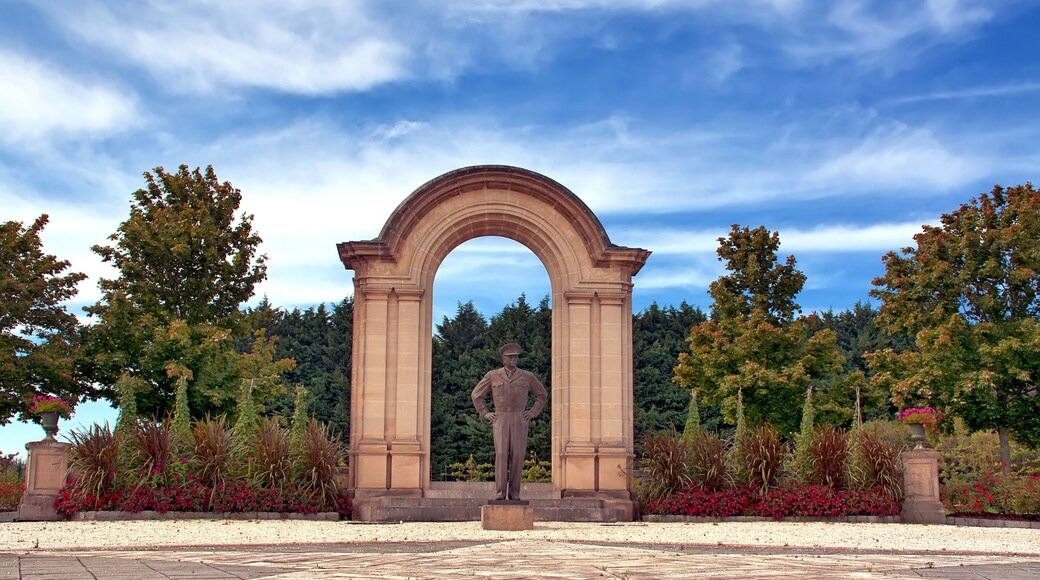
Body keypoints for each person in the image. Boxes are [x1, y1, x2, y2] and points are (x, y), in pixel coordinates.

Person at [471, 342, 548, 500]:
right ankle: (500, 493)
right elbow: (476, 394)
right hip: (500, 419)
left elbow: (542, 394)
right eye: (510, 357)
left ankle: (514, 493)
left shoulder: (527, 376)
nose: (513, 360)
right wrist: (485, 413)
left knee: (517, 455)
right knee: (500, 454)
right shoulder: (493, 375)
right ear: (503, 359)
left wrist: (533, 412)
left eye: (515, 357)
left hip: (519, 418)